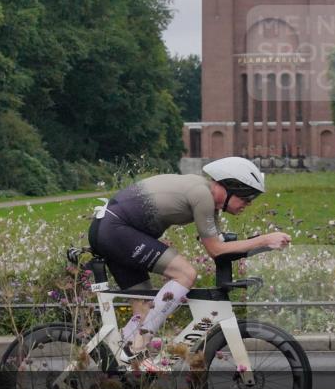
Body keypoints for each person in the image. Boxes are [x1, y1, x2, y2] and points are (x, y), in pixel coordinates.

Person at [86, 157, 290, 369]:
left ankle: (122, 361)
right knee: (185, 274)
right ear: (229, 188)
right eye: (246, 199)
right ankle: (135, 348)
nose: (247, 205)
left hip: (112, 230)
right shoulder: (202, 196)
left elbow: (219, 248)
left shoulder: (207, 200)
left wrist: (263, 245)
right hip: (115, 229)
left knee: (144, 309)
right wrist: (265, 239)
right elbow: (216, 250)